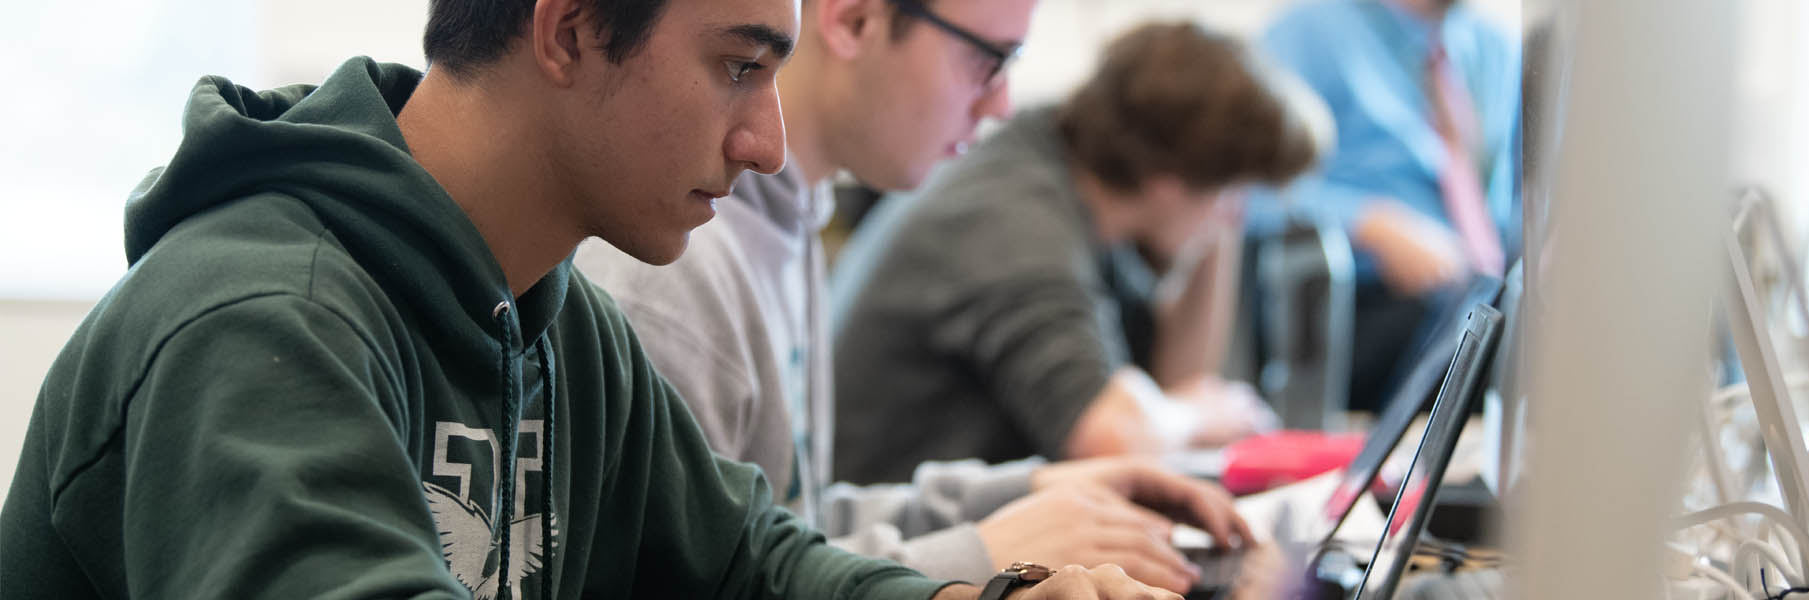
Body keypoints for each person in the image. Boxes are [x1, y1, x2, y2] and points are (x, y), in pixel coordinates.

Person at [0, 0, 1178, 598]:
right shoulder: (259, 321)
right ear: (567, 30)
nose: (768, 144)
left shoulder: (560, 324)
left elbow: (751, 567)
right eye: (738, 66)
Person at [574, 0, 1249, 593]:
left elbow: (788, 522)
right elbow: (721, 579)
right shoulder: (679, 261)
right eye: (987, 59)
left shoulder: (787, 217)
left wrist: (1026, 494)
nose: (1001, 105)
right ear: (855, 20)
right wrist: (983, 554)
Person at [829, 22, 1325, 486]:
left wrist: (1213, 232)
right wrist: (1194, 414)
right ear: (1168, 181)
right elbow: (1111, 441)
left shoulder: (1069, 172)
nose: (1233, 215)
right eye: (1232, 190)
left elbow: (1175, 380)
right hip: (891, 526)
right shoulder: (1018, 224)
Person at [1258, 0, 1520, 410]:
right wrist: (1368, 223)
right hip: (1369, 302)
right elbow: (1249, 193)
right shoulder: (1309, 33)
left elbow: (1514, 198)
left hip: (1480, 292)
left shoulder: (1496, 48)